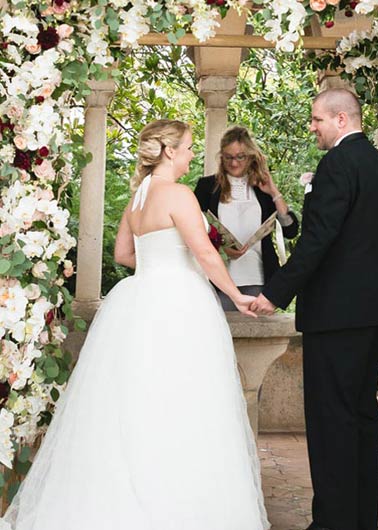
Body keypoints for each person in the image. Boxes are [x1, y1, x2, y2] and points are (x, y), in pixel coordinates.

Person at [1, 120, 268, 529]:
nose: (192, 155)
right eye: (188, 148)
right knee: (184, 400)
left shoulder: (139, 196)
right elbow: (206, 254)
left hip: (139, 299)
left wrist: (161, 258)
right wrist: (236, 294)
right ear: (169, 151)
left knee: (134, 400)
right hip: (179, 303)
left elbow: (124, 254)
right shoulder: (178, 194)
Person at [249, 89, 378, 530]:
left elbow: (319, 239)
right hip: (373, 312)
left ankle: (333, 523)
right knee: (361, 417)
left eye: (317, 119)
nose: (312, 127)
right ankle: (360, 522)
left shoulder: (337, 164)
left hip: (336, 316)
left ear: (340, 119)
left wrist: (276, 292)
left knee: (331, 421)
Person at [194, 126, 299, 310]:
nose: (234, 163)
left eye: (240, 157)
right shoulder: (207, 187)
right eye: (228, 157)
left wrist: (274, 192)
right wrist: (221, 249)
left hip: (258, 279)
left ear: (250, 157)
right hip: (218, 280)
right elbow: (194, 232)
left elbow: (290, 230)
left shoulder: (262, 188)